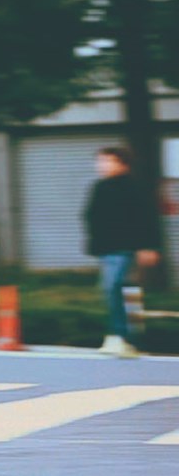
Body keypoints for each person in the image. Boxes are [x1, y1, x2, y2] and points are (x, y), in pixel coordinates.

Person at [84, 146, 160, 358]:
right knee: (121, 291)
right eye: (100, 161)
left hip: (126, 247)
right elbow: (92, 216)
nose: (101, 166)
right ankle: (128, 338)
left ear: (123, 164)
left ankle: (121, 336)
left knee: (113, 288)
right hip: (107, 248)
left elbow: (146, 217)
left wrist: (149, 246)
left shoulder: (133, 187)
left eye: (108, 161)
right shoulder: (100, 187)